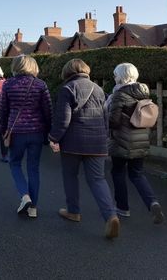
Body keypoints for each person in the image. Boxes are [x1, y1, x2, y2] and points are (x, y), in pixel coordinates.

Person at [48, 58, 120, 239]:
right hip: (97, 143)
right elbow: (105, 118)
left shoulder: (67, 89)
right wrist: (103, 139)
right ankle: (110, 215)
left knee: (70, 176)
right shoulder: (99, 89)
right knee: (97, 179)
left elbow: (63, 119)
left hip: (73, 143)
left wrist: (53, 138)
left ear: (67, 72)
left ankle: (73, 211)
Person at [107, 62, 164, 224]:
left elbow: (114, 121)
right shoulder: (144, 93)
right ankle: (152, 202)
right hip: (141, 140)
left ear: (121, 76)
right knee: (137, 174)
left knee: (117, 173)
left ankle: (123, 208)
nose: (114, 77)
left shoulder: (119, 94)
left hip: (121, 141)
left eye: (115, 74)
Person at [0, 55, 52, 219]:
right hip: (36, 132)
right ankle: (33, 208)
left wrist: (3, 131)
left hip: (16, 132)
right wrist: (48, 132)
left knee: (15, 164)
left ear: (16, 66)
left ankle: (25, 195)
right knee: (33, 168)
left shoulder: (8, 85)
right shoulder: (40, 85)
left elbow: (3, 111)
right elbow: (48, 111)